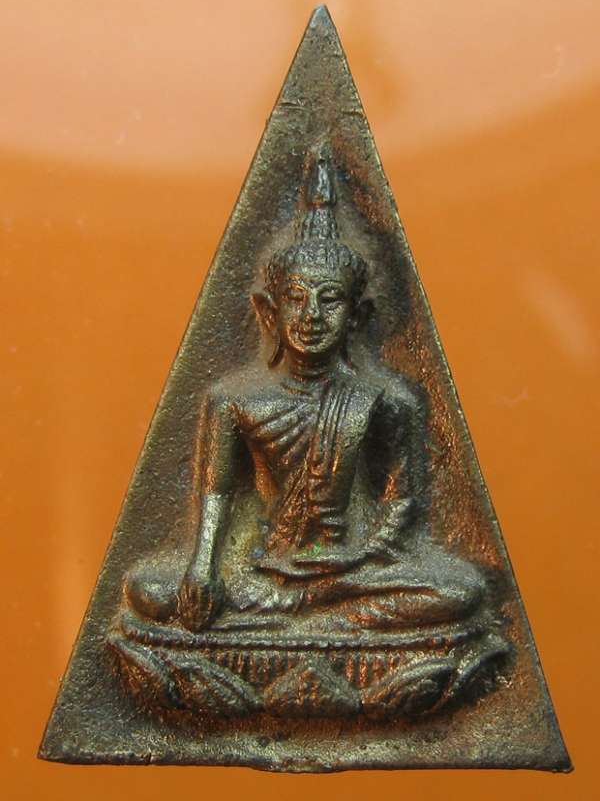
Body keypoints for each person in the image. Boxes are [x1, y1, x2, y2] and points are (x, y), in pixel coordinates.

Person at [126, 160, 487, 639]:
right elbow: (216, 495)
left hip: (347, 572)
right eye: (296, 298)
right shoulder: (233, 402)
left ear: (357, 317)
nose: (312, 315)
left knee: (462, 591)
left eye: (330, 299)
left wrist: (358, 556)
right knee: (148, 590)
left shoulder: (384, 401)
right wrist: (202, 569)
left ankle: (303, 615)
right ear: (269, 312)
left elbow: (400, 503)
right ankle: (310, 619)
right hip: (262, 566)